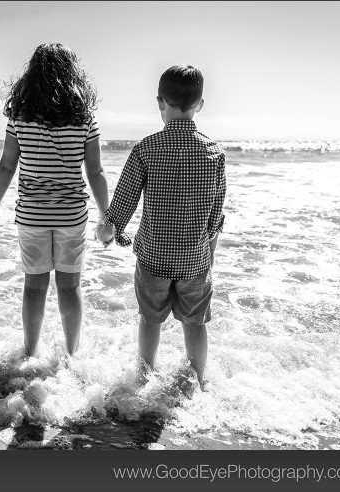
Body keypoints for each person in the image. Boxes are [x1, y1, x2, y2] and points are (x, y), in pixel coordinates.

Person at [100, 65, 226, 390]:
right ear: (200, 104)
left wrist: (110, 228)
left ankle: (143, 375)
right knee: (195, 323)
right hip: (195, 260)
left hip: (154, 257)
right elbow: (215, 215)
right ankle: (199, 381)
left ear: (160, 103)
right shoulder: (215, 153)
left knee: (150, 319)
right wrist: (208, 253)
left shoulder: (146, 148)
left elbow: (124, 201)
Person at [0, 42, 113, 358]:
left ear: (32, 76)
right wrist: (106, 215)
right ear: (73, 75)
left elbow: (6, 165)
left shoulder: (20, 116)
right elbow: (95, 172)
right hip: (71, 216)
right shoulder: (85, 118)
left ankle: (30, 355)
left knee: (34, 288)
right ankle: (71, 354)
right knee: (70, 288)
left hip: (32, 216)